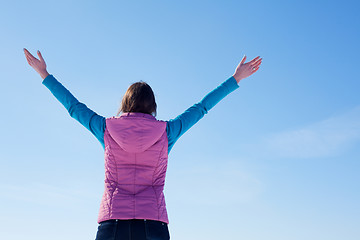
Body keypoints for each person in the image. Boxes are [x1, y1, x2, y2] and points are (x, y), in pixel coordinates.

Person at [23, 48, 262, 240]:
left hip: (112, 221)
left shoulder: (106, 128)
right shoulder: (167, 132)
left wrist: (44, 74)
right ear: (153, 106)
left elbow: (74, 107)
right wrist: (236, 78)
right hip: (153, 222)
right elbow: (202, 108)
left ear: (125, 103)